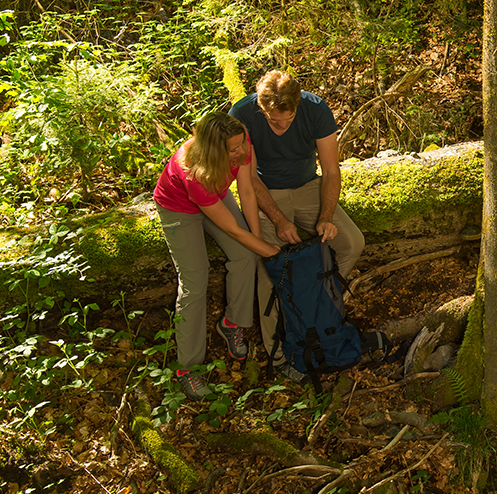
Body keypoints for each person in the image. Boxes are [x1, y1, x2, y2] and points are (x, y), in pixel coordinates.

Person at [229, 70, 365, 381]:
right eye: (273, 120)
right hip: (265, 193)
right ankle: (278, 355)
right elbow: (247, 180)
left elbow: (331, 171)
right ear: (261, 108)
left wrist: (326, 216)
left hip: (308, 187)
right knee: (268, 272)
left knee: (351, 242)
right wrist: (277, 219)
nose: (281, 126)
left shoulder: (315, 110)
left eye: (287, 119)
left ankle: (314, 302)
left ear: (298, 105)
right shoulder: (242, 114)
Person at [153, 111, 280, 399]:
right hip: (179, 208)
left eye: (241, 145)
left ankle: (232, 323)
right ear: (214, 150)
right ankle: (188, 367)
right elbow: (234, 230)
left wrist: (258, 242)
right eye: (233, 149)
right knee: (195, 281)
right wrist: (270, 251)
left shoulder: (241, 141)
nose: (241, 151)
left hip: (216, 193)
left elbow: (247, 192)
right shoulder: (193, 171)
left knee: (246, 255)